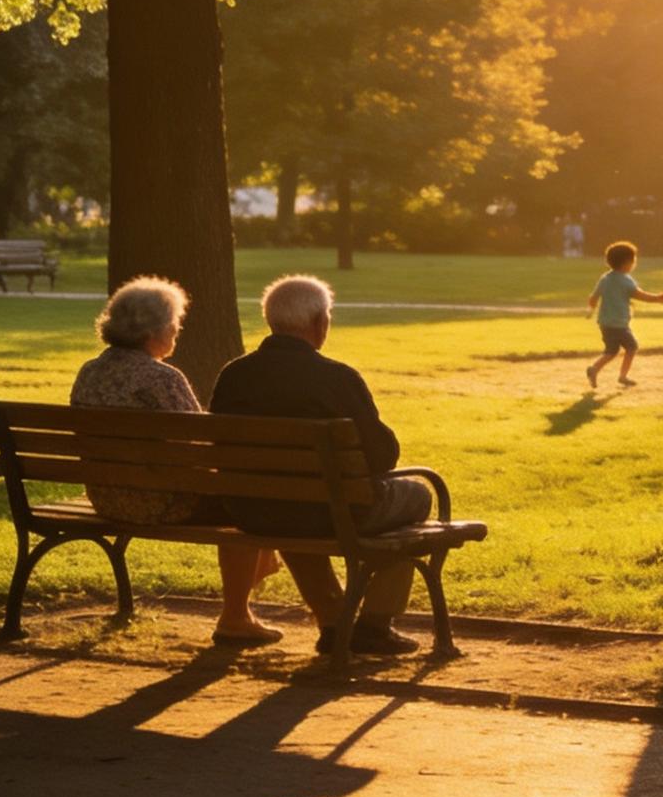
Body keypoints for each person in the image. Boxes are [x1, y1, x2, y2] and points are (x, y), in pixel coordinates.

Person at [210, 273, 434, 658]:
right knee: (416, 498)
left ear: (272, 321)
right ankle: (374, 625)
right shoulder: (336, 377)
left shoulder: (235, 374)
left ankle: (334, 620)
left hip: (253, 509)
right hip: (328, 510)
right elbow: (381, 455)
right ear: (320, 323)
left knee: (297, 501)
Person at [71, 276, 282, 649]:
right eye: (175, 323)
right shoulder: (162, 378)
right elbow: (203, 447)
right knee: (251, 500)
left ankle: (250, 592)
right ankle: (235, 617)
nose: (177, 330)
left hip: (107, 496)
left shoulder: (91, 370)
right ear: (155, 329)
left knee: (249, 505)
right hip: (163, 503)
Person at [585, 239, 663, 389]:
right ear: (627, 263)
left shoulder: (605, 278)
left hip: (605, 323)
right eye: (633, 260)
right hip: (619, 324)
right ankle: (620, 376)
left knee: (611, 350)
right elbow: (640, 295)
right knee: (631, 347)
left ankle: (595, 369)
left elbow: (593, 298)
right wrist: (658, 298)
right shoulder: (625, 280)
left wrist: (591, 308)